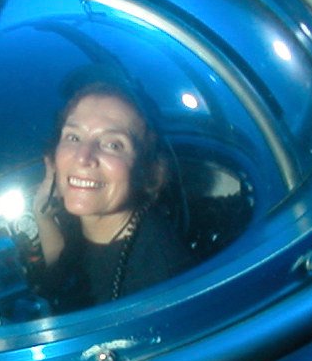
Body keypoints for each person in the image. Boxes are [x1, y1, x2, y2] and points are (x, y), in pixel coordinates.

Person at [30, 77, 192, 310]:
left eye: (113, 144)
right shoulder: (84, 221)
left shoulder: (158, 279)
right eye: (73, 137)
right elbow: (65, 276)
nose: (83, 157)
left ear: (147, 169)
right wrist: (43, 215)